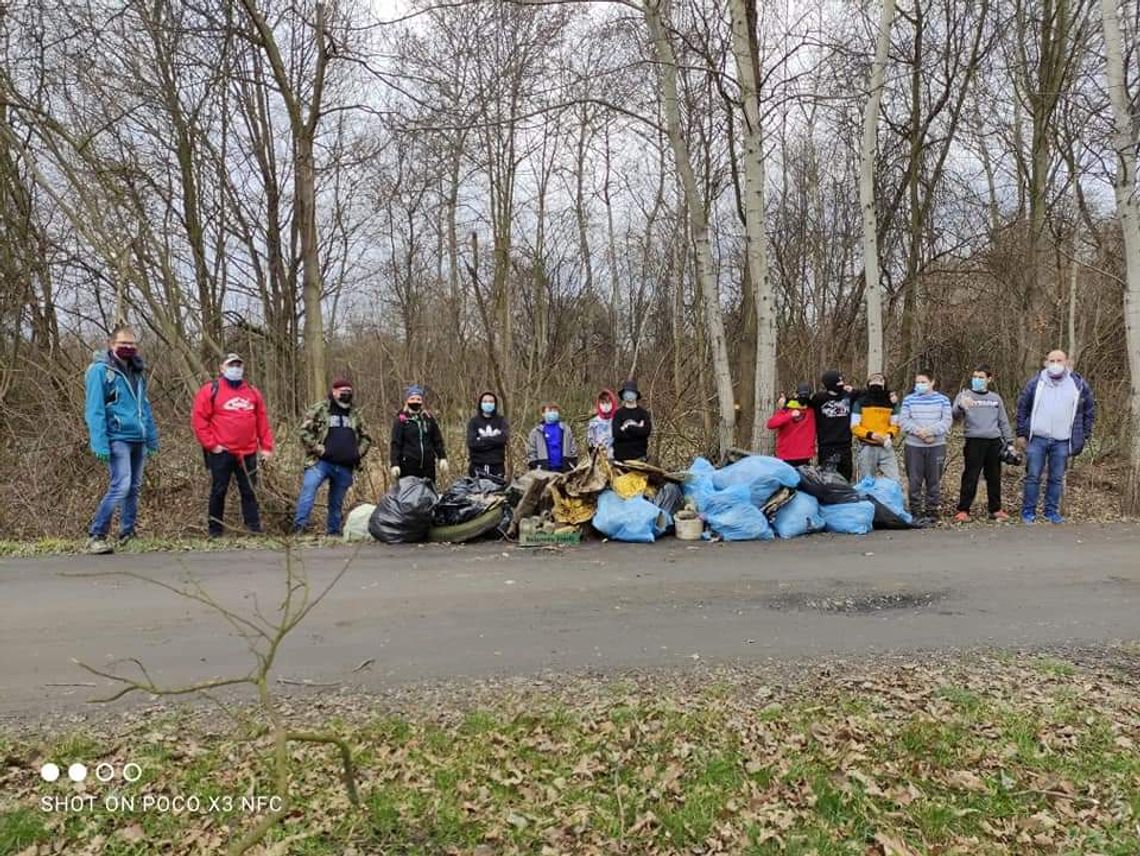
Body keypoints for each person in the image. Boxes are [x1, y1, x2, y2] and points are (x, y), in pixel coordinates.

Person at [83, 324, 159, 554]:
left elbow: (143, 407)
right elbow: (94, 409)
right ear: (111, 344)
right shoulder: (100, 371)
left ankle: (127, 532)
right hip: (118, 437)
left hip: (138, 437)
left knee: (134, 488)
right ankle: (97, 534)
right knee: (121, 485)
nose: (128, 347)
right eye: (123, 343)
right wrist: (99, 442)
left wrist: (152, 438)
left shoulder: (137, 371)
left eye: (132, 344)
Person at [191, 353, 275, 537]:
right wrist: (211, 445)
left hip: (248, 452)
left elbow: (262, 420)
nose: (236, 368)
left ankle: (254, 528)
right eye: (231, 365)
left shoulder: (252, 392)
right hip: (222, 451)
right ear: (222, 368)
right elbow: (199, 420)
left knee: (249, 491)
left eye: (239, 364)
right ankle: (215, 530)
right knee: (219, 491)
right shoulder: (210, 390)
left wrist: (266, 447)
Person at [1015, 349, 1096, 525]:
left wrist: (1085, 434)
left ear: (1067, 362)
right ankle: (1028, 512)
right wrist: (1021, 433)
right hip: (1037, 438)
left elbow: (1089, 410)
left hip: (1062, 440)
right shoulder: (1036, 383)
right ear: (1045, 363)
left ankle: (1051, 512)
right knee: (1033, 476)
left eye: (1059, 360)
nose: (1055, 364)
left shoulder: (1078, 385)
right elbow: (1022, 407)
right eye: (1052, 360)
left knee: (1056, 478)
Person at [293, 377, 373, 536]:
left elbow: (366, 437)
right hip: (321, 462)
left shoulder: (355, 413)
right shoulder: (320, 409)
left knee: (336, 502)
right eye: (343, 392)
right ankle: (299, 528)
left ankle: (333, 532)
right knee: (308, 490)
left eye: (349, 392)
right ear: (334, 392)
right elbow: (303, 432)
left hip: (345, 465)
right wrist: (318, 448)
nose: (346, 395)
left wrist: (358, 453)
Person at [952, 364, 1014, 522]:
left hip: (994, 442)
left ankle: (995, 509)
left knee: (994, 476)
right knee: (970, 476)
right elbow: (953, 415)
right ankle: (963, 510)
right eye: (975, 377)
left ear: (989, 379)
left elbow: (1003, 421)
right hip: (974, 441)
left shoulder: (995, 399)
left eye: (981, 377)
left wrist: (1009, 442)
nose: (977, 380)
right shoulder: (965, 395)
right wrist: (961, 406)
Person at [899, 369, 953, 524]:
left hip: (936, 445)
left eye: (923, 382)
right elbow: (904, 421)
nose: (920, 385)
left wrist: (930, 432)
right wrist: (920, 432)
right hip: (914, 445)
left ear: (932, 382)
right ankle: (915, 511)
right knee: (914, 480)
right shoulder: (909, 399)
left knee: (933, 479)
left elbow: (946, 421)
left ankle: (932, 511)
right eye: (917, 382)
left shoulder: (943, 400)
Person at [389, 384, 448, 483]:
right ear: (407, 401)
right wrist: (394, 464)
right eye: (412, 399)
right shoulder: (401, 420)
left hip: (428, 467)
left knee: (428, 495)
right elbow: (396, 444)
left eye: (418, 399)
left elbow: (437, 440)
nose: (415, 401)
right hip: (408, 467)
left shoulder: (428, 419)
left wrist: (442, 457)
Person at [851, 372, 901, 483]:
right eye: (873, 380)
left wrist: (889, 435)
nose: (876, 383)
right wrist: (871, 435)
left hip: (886, 446)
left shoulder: (892, 402)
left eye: (880, 380)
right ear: (868, 384)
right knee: (867, 482)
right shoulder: (860, 402)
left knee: (895, 480)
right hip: (867, 446)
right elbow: (854, 426)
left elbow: (896, 424)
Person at [811, 369, 858, 481]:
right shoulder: (819, 399)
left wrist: (852, 390)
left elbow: (866, 395)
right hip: (826, 447)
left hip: (845, 446)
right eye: (838, 383)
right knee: (826, 479)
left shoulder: (848, 396)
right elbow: (803, 404)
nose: (841, 385)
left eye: (842, 382)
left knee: (846, 477)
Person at [767, 383, 816, 467]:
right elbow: (771, 424)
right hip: (786, 455)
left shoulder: (812, 410)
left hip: (804, 455)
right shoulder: (787, 410)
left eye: (806, 395)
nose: (803, 398)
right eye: (801, 395)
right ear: (796, 395)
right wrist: (790, 415)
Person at [466, 391, 509, 479]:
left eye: (491, 402)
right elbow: (472, 443)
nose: (488, 404)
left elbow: (503, 439)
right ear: (480, 404)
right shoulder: (473, 422)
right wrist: (494, 442)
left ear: (495, 404)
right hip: (477, 465)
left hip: (497, 465)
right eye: (485, 401)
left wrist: (481, 439)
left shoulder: (501, 421)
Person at [525, 402, 579, 472]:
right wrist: (534, 465)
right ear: (543, 413)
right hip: (543, 468)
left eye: (555, 411)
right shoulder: (536, 432)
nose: (553, 413)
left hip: (564, 467)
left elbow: (572, 447)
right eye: (550, 411)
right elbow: (531, 450)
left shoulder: (565, 429)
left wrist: (572, 462)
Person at [612, 379, 652, 462]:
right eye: (627, 392)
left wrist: (628, 428)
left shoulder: (643, 413)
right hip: (620, 459)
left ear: (636, 395)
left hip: (639, 457)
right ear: (623, 395)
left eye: (631, 392)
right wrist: (637, 430)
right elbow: (616, 434)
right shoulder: (618, 414)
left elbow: (646, 431)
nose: (629, 395)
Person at [586, 389, 618, 458]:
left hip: (615, 458)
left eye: (608, 403)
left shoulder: (617, 420)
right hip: (599, 458)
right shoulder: (594, 422)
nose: (605, 406)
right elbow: (590, 442)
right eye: (602, 403)